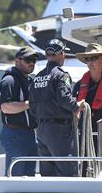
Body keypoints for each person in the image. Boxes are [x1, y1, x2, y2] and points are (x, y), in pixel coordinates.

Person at [29, 39, 81, 177]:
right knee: (68, 172)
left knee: (47, 174)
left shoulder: (37, 77)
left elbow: (32, 106)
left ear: (47, 55)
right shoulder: (60, 75)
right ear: (61, 54)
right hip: (59, 131)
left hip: (41, 130)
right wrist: (77, 106)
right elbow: (65, 99)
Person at [0, 46, 39, 177]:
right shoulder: (9, 81)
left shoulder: (30, 80)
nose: (31, 63)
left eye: (34, 60)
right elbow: (6, 107)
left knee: (29, 176)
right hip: (15, 135)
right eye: (27, 60)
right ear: (17, 61)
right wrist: (29, 104)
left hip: (30, 135)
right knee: (15, 176)